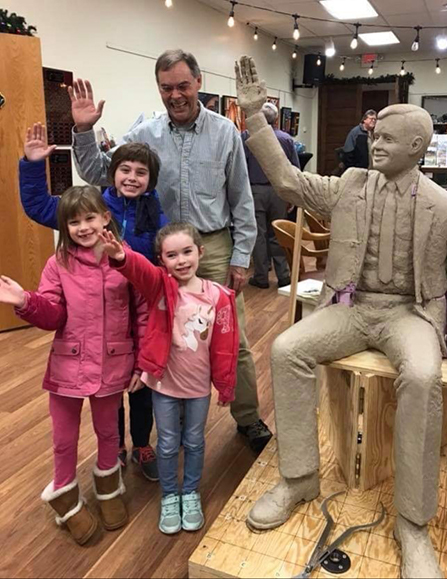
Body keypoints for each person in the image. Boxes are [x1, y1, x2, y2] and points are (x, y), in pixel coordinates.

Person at [235, 56, 447, 579]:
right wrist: (255, 117)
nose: (376, 142)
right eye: (375, 135)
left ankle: (412, 524)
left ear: (417, 146)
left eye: (388, 137)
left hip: (409, 315)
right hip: (351, 306)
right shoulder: (349, 185)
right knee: (286, 348)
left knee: (421, 374)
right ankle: (300, 479)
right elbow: (287, 180)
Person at [67, 50, 271, 452]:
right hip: (157, 251)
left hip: (211, 246)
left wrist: (241, 256)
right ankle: (176, 421)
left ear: (198, 82)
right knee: (167, 338)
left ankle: (247, 417)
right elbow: (101, 173)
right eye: (166, 87)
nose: (175, 95)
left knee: (235, 339)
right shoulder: (146, 133)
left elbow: (241, 200)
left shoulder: (226, 132)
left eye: (182, 86)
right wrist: (83, 131)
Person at [0, 134, 148, 544]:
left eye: (90, 218)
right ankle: (65, 497)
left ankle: (108, 488)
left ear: (105, 217)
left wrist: (141, 363)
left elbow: (141, 313)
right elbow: (53, 314)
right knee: (63, 440)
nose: (83, 228)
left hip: (113, 364)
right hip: (67, 367)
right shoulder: (57, 263)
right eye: (74, 222)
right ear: (65, 227)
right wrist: (25, 301)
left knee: (109, 434)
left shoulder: (124, 258)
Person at [19, 123, 168, 482]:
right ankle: (113, 446)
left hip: (135, 312)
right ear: (112, 173)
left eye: (141, 172)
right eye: (124, 170)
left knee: (141, 388)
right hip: (100, 324)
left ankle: (141, 442)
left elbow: (161, 264)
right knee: (108, 393)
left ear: (152, 179)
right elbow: (40, 205)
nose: (132, 178)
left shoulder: (156, 214)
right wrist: (31, 164)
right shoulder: (98, 207)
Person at [99, 222, 238, 535]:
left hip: (198, 387)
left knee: (194, 441)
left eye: (187, 251)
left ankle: (190, 492)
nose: (182, 260)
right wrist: (122, 255)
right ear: (162, 261)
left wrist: (225, 385)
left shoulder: (219, 297)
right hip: (164, 386)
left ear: (200, 252)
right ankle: (169, 495)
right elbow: (141, 272)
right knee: (167, 444)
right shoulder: (160, 288)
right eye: (172, 255)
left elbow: (226, 348)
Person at [241, 102, 299, 289]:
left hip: (254, 191)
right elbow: (294, 170)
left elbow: (240, 168)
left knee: (258, 235)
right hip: (279, 191)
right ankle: (283, 275)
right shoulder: (287, 139)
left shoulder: (246, 137)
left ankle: (261, 276)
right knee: (277, 234)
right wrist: (291, 196)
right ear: (276, 119)